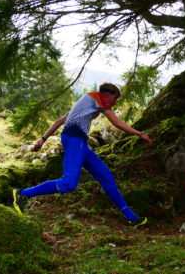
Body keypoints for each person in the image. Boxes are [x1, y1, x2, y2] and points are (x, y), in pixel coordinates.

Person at [12, 83, 154, 228]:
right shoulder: (97, 97)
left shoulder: (85, 103)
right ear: (108, 94)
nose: (115, 102)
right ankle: (23, 194)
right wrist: (140, 134)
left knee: (107, 177)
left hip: (80, 143)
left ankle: (132, 217)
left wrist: (42, 139)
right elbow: (116, 122)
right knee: (68, 183)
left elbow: (60, 121)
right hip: (75, 139)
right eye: (115, 98)